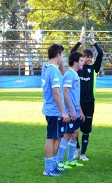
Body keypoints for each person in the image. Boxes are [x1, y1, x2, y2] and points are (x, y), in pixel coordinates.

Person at [71, 27, 104, 161]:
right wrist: (80, 41)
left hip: (89, 103)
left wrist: (93, 41)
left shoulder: (93, 69)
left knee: (86, 129)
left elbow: (100, 54)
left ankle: (83, 153)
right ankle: (76, 147)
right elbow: (72, 52)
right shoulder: (78, 68)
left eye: (90, 57)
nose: (88, 59)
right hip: (77, 103)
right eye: (85, 57)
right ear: (82, 58)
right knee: (75, 128)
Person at [41, 44, 70, 176]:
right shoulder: (52, 70)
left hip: (50, 109)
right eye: (62, 54)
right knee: (51, 138)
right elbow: (56, 93)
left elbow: (63, 71)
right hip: (54, 111)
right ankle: (48, 169)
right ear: (58, 54)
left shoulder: (47, 66)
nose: (63, 57)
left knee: (56, 137)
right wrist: (63, 112)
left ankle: (52, 165)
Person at [56, 52, 86, 168]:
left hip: (76, 111)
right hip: (70, 112)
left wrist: (80, 111)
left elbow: (75, 96)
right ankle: (59, 161)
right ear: (75, 62)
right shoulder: (69, 74)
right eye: (81, 61)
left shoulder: (75, 74)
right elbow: (65, 93)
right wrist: (72, 111)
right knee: (67, 135)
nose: (83, 63)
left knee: (75, 134)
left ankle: (69, 160)